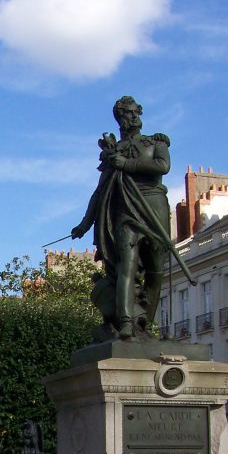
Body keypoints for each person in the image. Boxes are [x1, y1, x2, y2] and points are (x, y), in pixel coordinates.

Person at [71, 95, 175, 341]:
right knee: (126, 266)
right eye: (128, 114)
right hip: (126, 211)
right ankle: (126, 322)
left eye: (136, 112)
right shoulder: (112, 153)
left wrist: (126, 164)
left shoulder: (156, 143)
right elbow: (100, 191)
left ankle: (145, 323)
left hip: (155, 206)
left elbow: (162, 167)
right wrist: (85, 223)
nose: (134, 117)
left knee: (155, 270)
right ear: (120, 119)